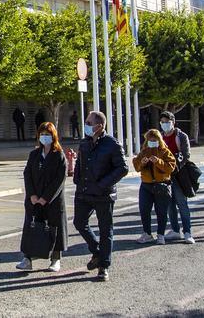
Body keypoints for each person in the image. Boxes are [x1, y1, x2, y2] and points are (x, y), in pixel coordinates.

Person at [72, 111, 128, 281]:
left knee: (106, 230)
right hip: (84, 192)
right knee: (79, 222)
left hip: (103, 194)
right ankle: (97, 251)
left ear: (99, 126)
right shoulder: (85, 143)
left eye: (89, 123)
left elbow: (122, 168)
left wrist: (104, 183)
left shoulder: (112, 144)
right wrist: (77, 178)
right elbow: (80, 164)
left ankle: (103, 266)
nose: (86, 125)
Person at [16, 122, 68, 272]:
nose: (45, 137)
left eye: (48, 134)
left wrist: (45, 198)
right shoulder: (34, 154)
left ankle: (55, 259)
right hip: (34, 199)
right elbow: (27, 175)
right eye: (42, 134)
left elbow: (59, 180)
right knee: (31, 228)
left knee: (54, 228)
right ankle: (27, 258)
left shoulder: (59, 155)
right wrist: (32, 195)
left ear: (54, 136)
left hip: (52, 201)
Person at [132, 129, 177, 245]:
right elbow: (136, 166)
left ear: (159, 140)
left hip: (161, 184)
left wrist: (158, 162)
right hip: (146, 185)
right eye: (150, 140)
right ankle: (147, 233)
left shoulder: (165, 151)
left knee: (161, 211)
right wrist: (142, 162)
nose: (152, 142)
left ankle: (160, 234)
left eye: (154, 140)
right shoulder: (144, 152)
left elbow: (170, 167)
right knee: (144, 209)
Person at [159, 112, 195, 244]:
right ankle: (175, 230)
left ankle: (187, 232)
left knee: (182, 203)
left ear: (173, 122)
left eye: (167, 121)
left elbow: (185, 155)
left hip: (178, 174)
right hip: (164, 175)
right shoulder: (160, 137)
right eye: (162, 122)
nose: (164, 124)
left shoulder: (181, 136)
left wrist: (174, 166)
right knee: (169, 204)